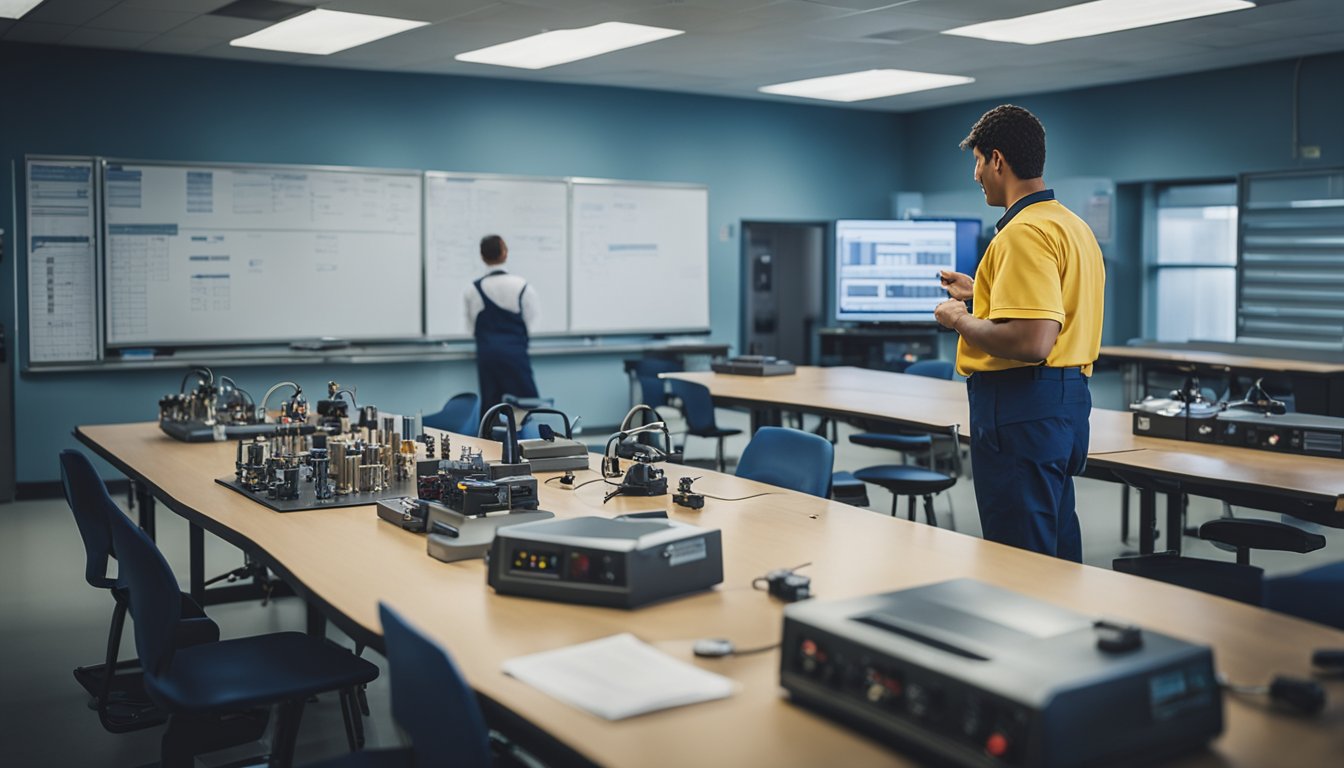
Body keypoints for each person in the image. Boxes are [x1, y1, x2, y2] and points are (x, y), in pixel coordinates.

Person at [933, 105, 1105, 562]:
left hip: (1020, 407)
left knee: (1020, 562)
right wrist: (982, 294)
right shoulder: (1071, 226)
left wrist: (959, 320)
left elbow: (1032, 342)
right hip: (1065, 405)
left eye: (977, 162)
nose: (976, 176)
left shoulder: (1022, 233)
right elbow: (1054, 307)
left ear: (998, 161)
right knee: (1055, 544)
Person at [464, 234, 540, 411]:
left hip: (487, 355)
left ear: (482, 256)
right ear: (505, 253)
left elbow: (470, 327)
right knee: (525, 406)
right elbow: (532, 322)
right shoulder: (522, 286)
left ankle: (490, 439)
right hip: (516, 354)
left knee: (491, 408)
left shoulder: (472, 289)